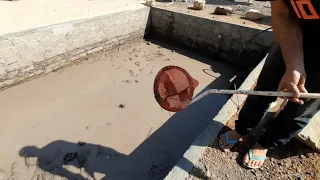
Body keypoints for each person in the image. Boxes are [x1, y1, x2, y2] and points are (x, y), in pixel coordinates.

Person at [219, 0, 320, 169]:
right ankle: (242, 129)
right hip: (296, 32)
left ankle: (265, 143)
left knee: (301, 108)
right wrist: (293, 64)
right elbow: (281, 14)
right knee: (264, 89)